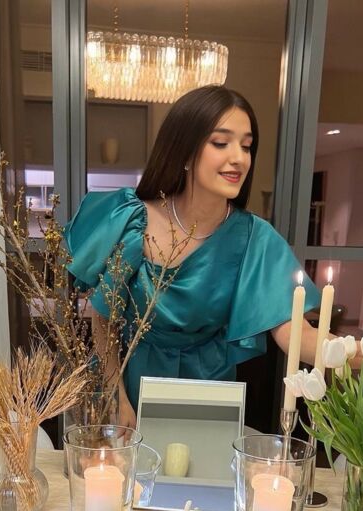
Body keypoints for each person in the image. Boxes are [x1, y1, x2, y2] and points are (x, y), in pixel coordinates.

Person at [64, 85, 324, 429]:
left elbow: (295, 334)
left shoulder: (255, 238)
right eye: (221, 143)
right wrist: (117, 397)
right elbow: (104, 319)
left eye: (247, 146)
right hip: (133, 382)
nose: (239, 158)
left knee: (206, 462)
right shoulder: (132, 221)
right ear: (185, 152)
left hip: (210, 392)